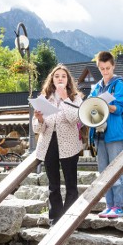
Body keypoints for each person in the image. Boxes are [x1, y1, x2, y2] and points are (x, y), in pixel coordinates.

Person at [33, 65, 84, 226]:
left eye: (63, 76)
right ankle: (55, 218)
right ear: (52, 79)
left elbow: (75, 119)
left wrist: (65, 99)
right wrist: (39, 119)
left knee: (71, 184)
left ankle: (70, 220)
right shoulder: (44, 98)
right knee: (53, 185)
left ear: (68, 79)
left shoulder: (76, 98)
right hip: (48, 143)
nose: (60, 78)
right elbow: (37, 128)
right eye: (57, 76)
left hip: (69, 143)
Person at [89, 51, 123, 218]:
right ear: (98, 67)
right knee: (104, 171)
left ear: (113, 66)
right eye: (102, 69)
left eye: (107, 68)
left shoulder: (119, 84)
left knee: (116, 169)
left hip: (115, 133)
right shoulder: (97, 86)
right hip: (99, 133)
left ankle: (119, 205)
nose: (105, 71)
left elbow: (121, 106)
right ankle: (109, 204)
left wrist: (106, 105)